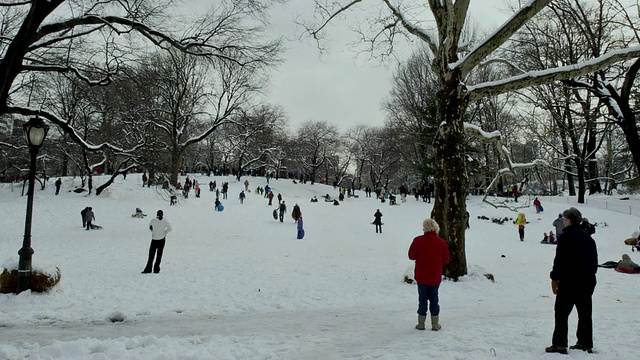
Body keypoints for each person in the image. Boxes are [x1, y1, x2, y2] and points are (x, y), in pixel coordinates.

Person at [546, 207, 598, 354]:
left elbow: (560, 261)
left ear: (568, 221)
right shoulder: (588, 238)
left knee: (561, 313)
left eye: (564, 219)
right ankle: (585, 342)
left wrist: (554, 278)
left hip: (569, 282)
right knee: (585, 314)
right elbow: (593, 262)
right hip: (587, 282)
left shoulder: (566, 237)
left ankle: (560, 344)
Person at [408, 218, 450, 331]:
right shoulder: (441, 242)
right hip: (435, 276)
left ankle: (421, 324)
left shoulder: (417, 240)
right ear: (436, 228)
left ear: (424, 228)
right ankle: (435, 324)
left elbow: (411, 255)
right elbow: (446, 259)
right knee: (434, 299)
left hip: (421, 275)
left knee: (422, 299)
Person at [142, 210, 172, 274]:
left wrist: (153, 232)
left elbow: (150, 228)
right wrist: (164, 232)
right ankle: (156, 269)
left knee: (151, 255)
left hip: (154, 239)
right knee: (159, 255)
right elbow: (170, 228)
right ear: (162, 214)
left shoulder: (153, 220)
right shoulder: (165, 221)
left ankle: (148, 269)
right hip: (162, 239)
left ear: (157, 214)